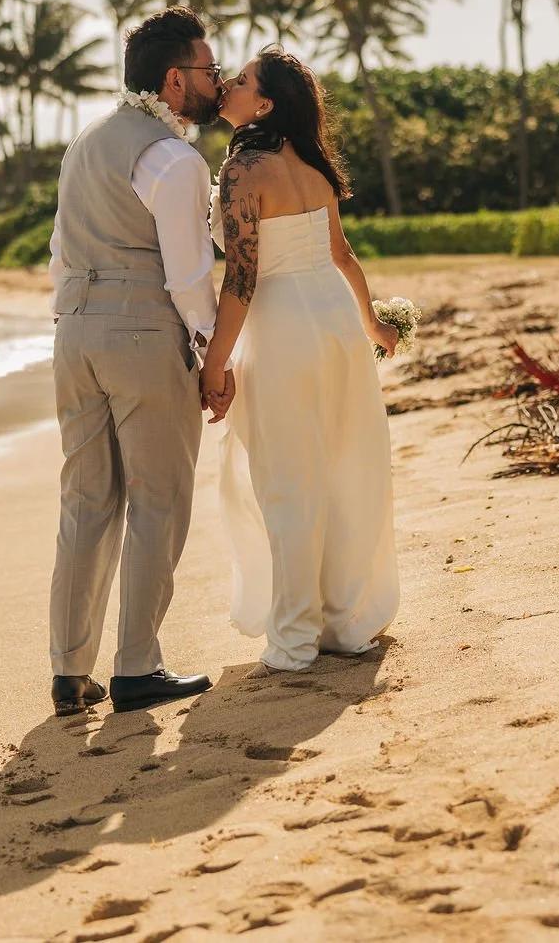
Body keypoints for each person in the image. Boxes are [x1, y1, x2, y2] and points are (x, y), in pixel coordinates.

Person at [44, 7, 225, 718]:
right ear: (175, 81)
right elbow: (187, 277)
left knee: (84, 501)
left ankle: (68, 669)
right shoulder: (175, 158)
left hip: (73, 332)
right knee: (158, 497)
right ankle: (138, 666)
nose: (218, 81)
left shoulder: (84, 143)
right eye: (209, 71)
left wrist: (75, 321)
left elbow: (61, 251)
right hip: (143, 336)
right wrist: (214, 355)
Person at [201, 48, 399, 673]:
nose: (228, 85)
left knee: (288, 479)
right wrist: (373, 325)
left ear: (263, 103)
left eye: (241, 80)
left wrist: (215, 363)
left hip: (284, 328)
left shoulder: (243, 169)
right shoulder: (312, 166)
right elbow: (341, 253)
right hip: (336, 324)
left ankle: (293, 638)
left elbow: (242, 278)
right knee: (343, 465)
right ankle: (345, 620)